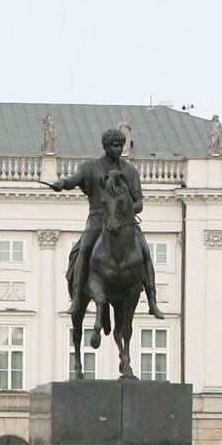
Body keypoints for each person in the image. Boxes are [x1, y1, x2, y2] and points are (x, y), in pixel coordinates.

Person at [48, 128, 163, 319]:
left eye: (120, 146)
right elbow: (73, 180)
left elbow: (139, 203)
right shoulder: (90, 168)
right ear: (105, 146)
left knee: (145, 251)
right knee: (84, 249)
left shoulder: (130, 171)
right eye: (114, 146)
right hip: (97, 220)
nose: (118, 150)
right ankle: (76, 299)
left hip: (125, 223)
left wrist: (123, 211)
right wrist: (62, 183)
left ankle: (152, 301)